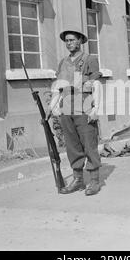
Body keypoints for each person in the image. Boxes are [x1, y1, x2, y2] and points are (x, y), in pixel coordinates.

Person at [47, 28, 102, 196]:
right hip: (66, 109)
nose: (69, 43)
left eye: (72, 40)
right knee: (72, 146)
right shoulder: (63, 62)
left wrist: (96, 109)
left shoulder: (89, 59)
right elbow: (57, 86)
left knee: (89, 144)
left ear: (80, 41)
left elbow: (96, 85)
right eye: (67, 41)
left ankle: (94, 181)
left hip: (84, 108)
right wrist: (54, 106)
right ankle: (78, 179)